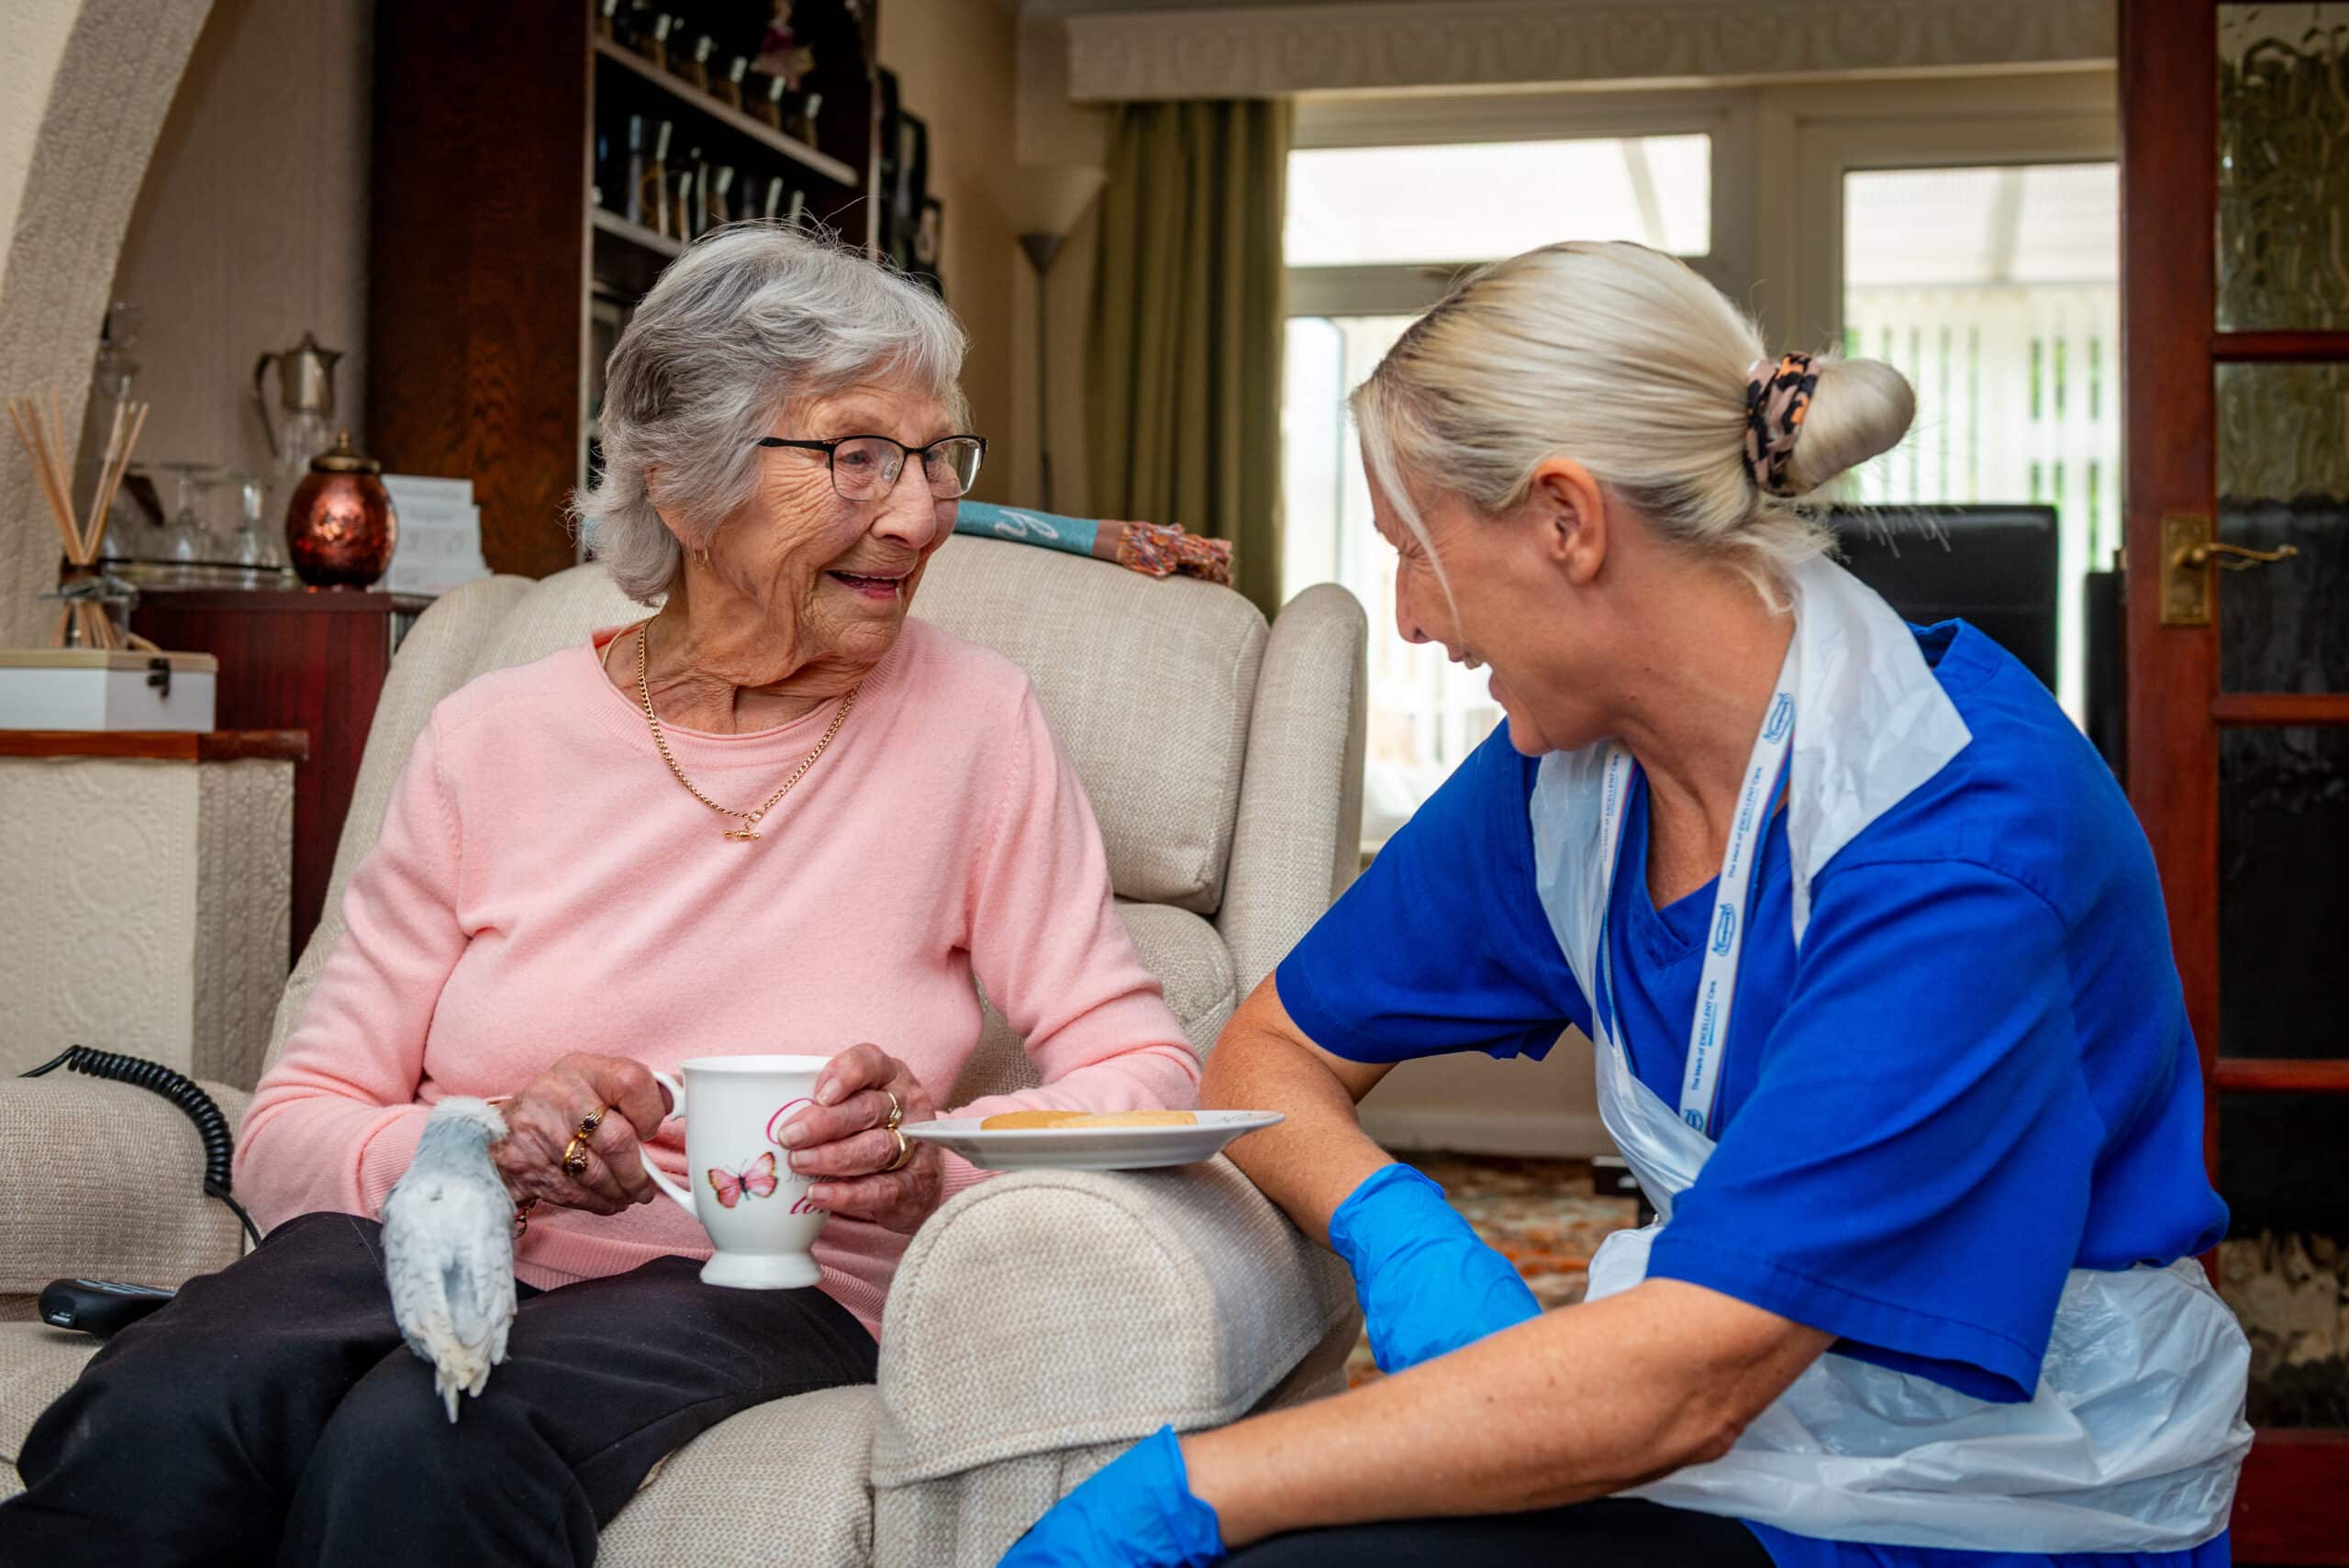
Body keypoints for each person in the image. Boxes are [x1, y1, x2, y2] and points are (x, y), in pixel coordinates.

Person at [1003, 239, 2251, 1568]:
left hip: (1997, 1510)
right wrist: (1394, 1220)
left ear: (1565, 521)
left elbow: (1692, 1377)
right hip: (1747, 1451)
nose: (1415, 618)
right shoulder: (1571, 778)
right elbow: (1268, 1048)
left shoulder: (1955, 839)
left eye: (1416, 551)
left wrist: (1188, 1485)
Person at [2, 226, 1201, 1568]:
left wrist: (935, 1155)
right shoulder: (489, 737)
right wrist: (479, 1148)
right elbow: (293, 1133)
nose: (920, 513)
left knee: (427, 1442)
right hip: (441, 1243)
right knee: (164, 1409)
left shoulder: (976, 724)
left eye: (936, 457)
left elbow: (1143, 1065)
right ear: (681, 485)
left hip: (756, 1280)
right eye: (858, 455)